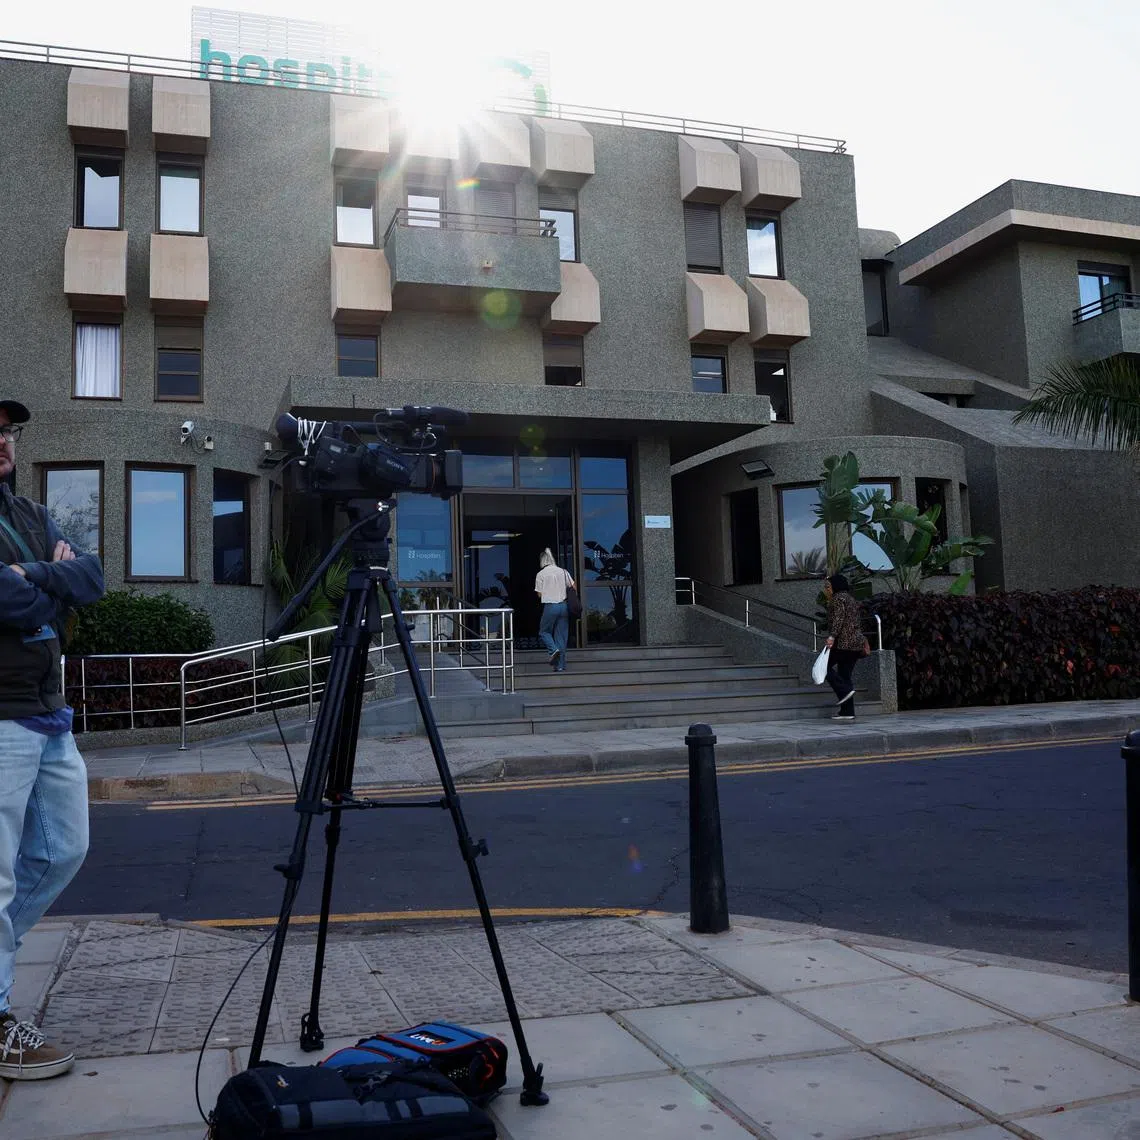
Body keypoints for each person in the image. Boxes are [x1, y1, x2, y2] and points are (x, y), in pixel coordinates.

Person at [0, 398, 105, 1080]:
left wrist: (36, 574)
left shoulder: (32, 515)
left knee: (64, 849)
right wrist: (52, 587)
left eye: (6, 431)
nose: (2, 442)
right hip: (1, 717)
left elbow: (91, 578)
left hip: (48, 712)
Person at [823, 573, 866, 721]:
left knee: (824, 668)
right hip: (856, 644)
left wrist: (831, 636)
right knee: (844, 675)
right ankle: (847, 711)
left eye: (828, 586)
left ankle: (844, 690)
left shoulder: (838, 599)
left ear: (836, 586)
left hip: (843, 643)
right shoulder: (851, 599)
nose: (827, 590)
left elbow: (838, 619)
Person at [534, 548, 574, 673]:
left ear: (542, 561)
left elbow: (539, 594)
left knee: (544, 631)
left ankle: (553, 650)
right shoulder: (563, 571)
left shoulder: (541, 574)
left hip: (551, 606)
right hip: (564, 606)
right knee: (561, 637)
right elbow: (573, 587)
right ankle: (560, 666)